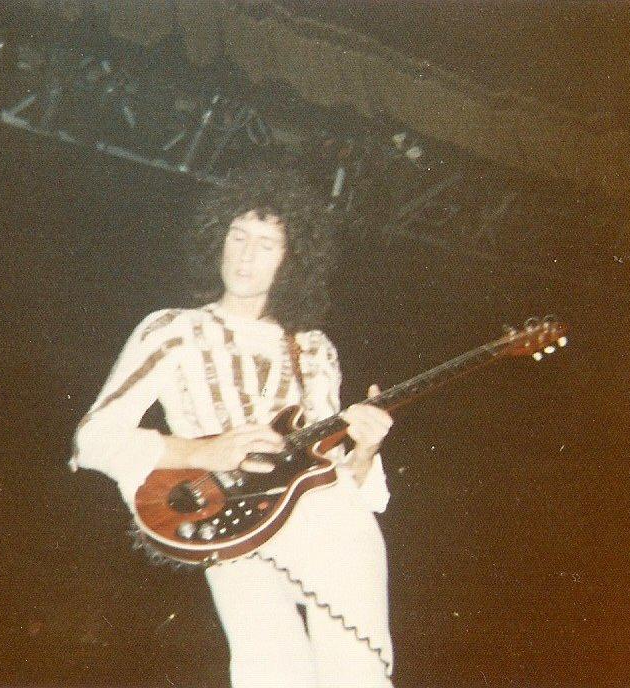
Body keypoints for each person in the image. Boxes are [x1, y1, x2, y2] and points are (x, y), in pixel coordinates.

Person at [69, 166, 395, 688]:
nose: (246, 255)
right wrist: (205, 452)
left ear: (291, 261)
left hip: (329, 522)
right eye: (238, 237)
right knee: (271, 673)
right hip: (232, 524)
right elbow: (93, 439)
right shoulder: (174, 330)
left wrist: (365, 449)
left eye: (266, 245)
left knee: (356, 673)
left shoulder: (313, 348)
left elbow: (332, 473)